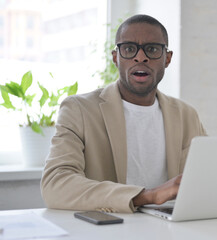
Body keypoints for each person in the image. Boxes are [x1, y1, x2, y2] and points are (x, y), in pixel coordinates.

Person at [41, 14, 207, 213]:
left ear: (167, 59)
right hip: (109, 229)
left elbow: (211, 176)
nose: (140, 57)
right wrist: (146, 196)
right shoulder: (79, 109)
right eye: (129, 49)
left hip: (170, 228)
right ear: (115, 58)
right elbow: (56, 185)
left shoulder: (186, 115)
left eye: (152, 49)